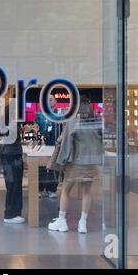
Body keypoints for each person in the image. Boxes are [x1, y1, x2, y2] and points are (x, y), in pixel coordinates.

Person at [48, 97, 103, 234]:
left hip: (75, 163)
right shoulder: (95, 122)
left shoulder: (73, 122)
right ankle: (82, 224)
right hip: (91, 163)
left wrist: (61, 161)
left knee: (65, 191)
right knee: (86, 193)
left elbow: (66, 144)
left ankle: (62, 221)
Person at [0, 101, 25, 224]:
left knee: (12, 185)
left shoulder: (3, 121)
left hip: (8, 155)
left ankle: (12, 213)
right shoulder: (12, 123)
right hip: (13, 157)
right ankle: (10, 214)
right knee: (14, 185)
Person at [34, 94, 61, 198]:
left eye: (51, 100)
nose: (48, 102)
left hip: (55, 146)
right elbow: (36, 129)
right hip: (43, 146)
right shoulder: (40, 115)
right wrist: (39, 138)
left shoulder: (59, 115)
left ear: (55, 102)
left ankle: (51, 189)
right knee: (42, 168)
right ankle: (40, 189)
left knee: (54, 168)